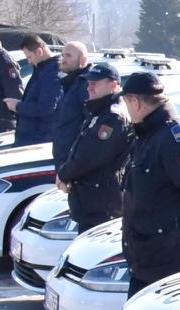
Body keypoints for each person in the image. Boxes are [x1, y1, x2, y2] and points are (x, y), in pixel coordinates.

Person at [116, 70, 180, 293]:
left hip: (172, 261)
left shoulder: (172, 136)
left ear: (135, 102)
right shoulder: (147, 133)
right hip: (150, 260)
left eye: (126, 102)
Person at [54, 62, 127, 229]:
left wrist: (64, 174)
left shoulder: (113, 116)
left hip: (101, 204)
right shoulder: (99, 110)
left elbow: (90, 155)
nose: (89, 87)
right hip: (91, 200)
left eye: (95, 83)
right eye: (88, 83)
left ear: (113, 85)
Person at [12, 34, 63, 147]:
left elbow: (46, 108)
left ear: (39, 51)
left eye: (30, 57)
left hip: (38, 139)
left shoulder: (52, 73)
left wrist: (17, 106)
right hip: (31, 137)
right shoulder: (42, 70)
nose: (29, 61)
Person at [48, 41, 92, 168]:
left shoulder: (86, 85)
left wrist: (76, 160)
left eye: (68, 56)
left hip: (74, 162)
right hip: (64, 159)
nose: (63, 59)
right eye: (62, 55)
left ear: (82, 60)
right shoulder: (70, 83)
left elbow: (89, 126)